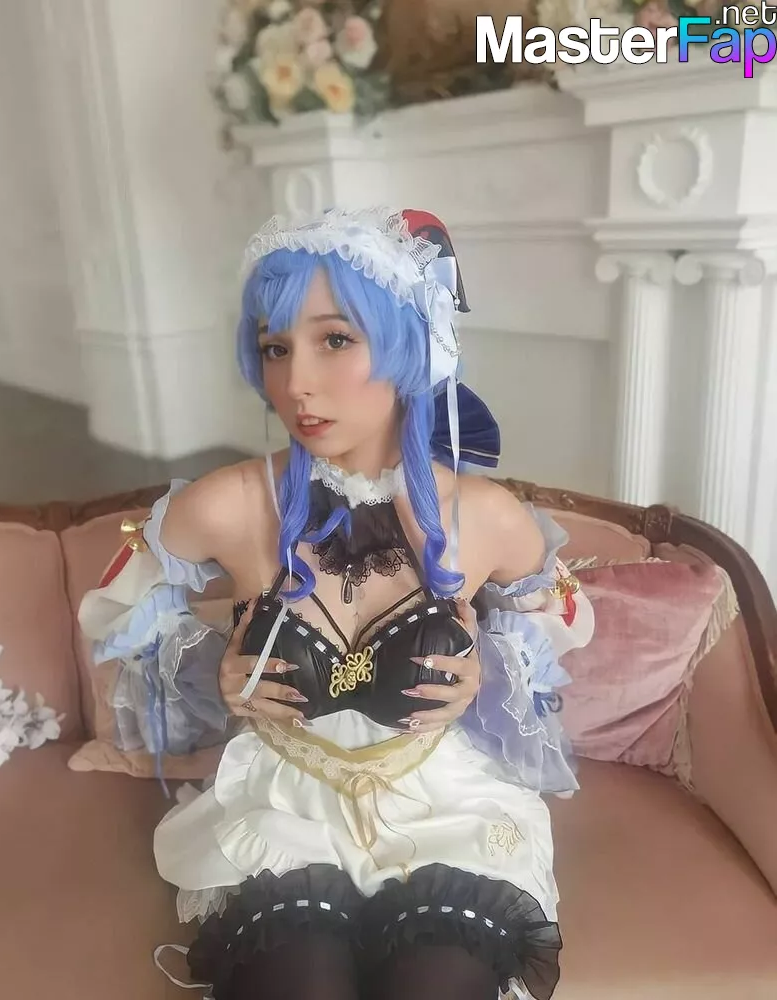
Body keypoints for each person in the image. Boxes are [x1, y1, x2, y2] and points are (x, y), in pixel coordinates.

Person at [77, 206, 594, 1000]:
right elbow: (115, 623)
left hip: (442, 809)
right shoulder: (225, 505)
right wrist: (217, 670)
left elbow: (567, 624)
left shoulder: (486, 517)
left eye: (336, 340)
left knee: (437, 984)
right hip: (279, 811)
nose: (296, 383)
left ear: (413, 347)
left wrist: (485, 667)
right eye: (275, 348)